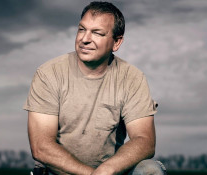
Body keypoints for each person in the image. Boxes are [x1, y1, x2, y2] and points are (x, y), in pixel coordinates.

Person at [24, 1, 166, 175]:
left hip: (109, 172)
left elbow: (145, 141)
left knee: (151, 170)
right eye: (82, 29)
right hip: (57, 172)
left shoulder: (132, 78)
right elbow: (41, 147)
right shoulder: (48, 74)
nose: (85, 39)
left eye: (97, 33)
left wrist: (107, 170)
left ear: (116, 42)